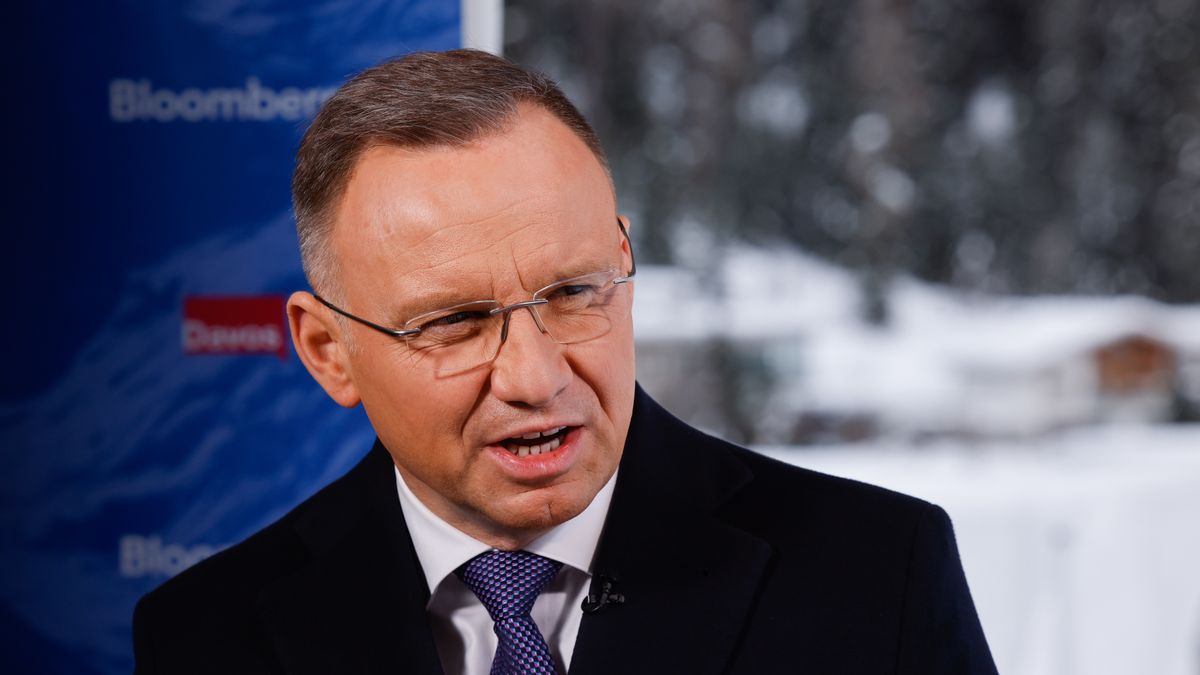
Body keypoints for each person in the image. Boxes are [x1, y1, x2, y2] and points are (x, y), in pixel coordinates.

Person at [132, 49, 998, 674]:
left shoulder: (879, 577)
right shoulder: (205, 636)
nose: (535, 377)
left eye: (574, 292)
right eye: (456, 322)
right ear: (330, 351)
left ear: (623, 260)